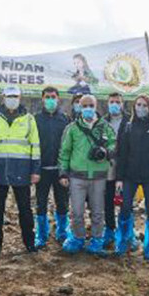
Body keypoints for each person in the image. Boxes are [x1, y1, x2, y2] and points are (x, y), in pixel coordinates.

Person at [0, 86, 40, 256]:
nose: (12, 98)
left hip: (22, 170)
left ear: (20, 97)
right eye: (9, 96)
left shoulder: (29, 119)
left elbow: (35, 146)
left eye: (15, 96)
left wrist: (35, 170)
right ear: (3, 97)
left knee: (25, 209)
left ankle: (30, 244)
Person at [59, 95, 116, 255]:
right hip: (77, 176)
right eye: (84, 106)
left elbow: (114, 144)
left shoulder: (105, 127)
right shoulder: (72, 128)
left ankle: (97, 239)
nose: (88, 109)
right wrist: (63, 173)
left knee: (98, 212)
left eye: (91, 105)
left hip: (98, 176)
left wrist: (105, 151)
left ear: (96, 106)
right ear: (79, 107)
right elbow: (65, 151)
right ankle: (78, 237)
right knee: (76, 211)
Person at [115, 94, 149, 261]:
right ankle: (124, 240)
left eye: (145, 105)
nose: (141, 108)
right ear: (134, 107)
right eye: (138, 105)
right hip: (130, 175)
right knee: (125, 209)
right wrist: (119, 177)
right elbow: (122, 154)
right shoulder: (128, 127)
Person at [34, 87, 70, 247]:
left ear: (58, 99)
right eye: (47, 97)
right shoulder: (35, 119)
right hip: (41, 170)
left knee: (62, 203)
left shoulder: (65, 119)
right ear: (42, 99)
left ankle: (62, 233)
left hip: (60, 170)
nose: (50, 100)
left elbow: (69, 146)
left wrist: (66, 169)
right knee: (40, 203)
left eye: (53, 97)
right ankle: (41, 235)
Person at [102, 92, 130, 249]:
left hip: (126, 167)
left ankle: (126, 232)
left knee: (125, 202)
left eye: (117, 101)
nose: (114, 104)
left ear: (122, 104)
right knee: (108, 201)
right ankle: (110, 229)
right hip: (108, 167)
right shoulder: (103, 121)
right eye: (111, 101)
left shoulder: (129, 121)